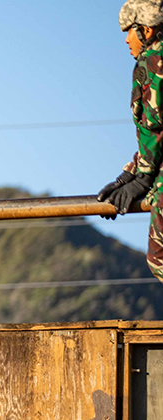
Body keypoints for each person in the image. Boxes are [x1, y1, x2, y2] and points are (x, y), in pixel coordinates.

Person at [100, 0, 163, 282]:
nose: (126, 40)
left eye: (129, 31)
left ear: (146, 31)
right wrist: (130, 173)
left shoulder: (154, 61)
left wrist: (143, 177)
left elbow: (156, 125)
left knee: (160, 258)